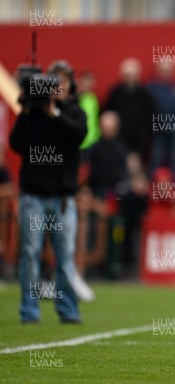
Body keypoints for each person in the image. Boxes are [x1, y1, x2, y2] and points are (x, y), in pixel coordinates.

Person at [9, 60, 87, 323]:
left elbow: (78, 135)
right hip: (33, 195)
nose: (59, 87)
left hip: (63, 198)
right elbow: (16, 143)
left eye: (63, 82)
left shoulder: (74, 112)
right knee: (30, 253)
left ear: (71, 86)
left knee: (65, 257)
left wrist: (54, 112)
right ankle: (29, 311)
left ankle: (68, 310)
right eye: (54, 81)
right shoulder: (34, 112)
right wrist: (27, 109)